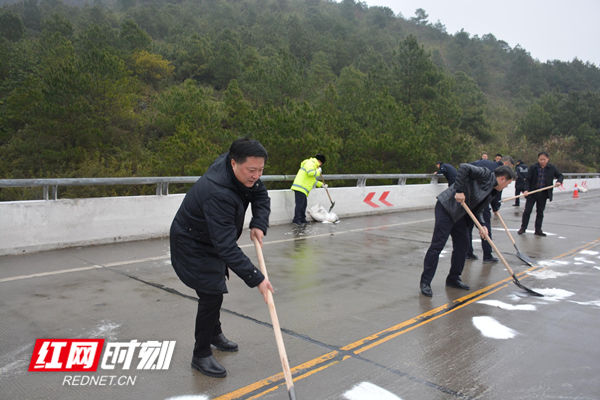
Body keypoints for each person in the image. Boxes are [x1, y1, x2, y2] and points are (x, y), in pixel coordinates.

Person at [169, 138, 274, 378]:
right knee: (211, 293)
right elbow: (226, 247)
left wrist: (258, 222)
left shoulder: (245, 173)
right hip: (191, 241)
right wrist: (257, 278)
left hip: (211, 236)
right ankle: (201, 354)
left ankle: (214, 334)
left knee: (214, 288)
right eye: (252, 170)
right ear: (233, 163)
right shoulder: (218, 192)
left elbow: (260, 196)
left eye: (261, 170)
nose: (256, 176)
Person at [420, 164, 515, 297]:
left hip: (461, 215)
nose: (506, 187)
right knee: (437, 245)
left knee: (462, 246)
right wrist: (459, 190)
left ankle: (453, 278)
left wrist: (482, 225)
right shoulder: (486, 174)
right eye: (507, 184)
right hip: (447, 207)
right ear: (503, 179)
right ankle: (425, 282)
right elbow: (464, 167)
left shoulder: (492, 191)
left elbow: (478, 209)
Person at [465, 157, 507, 262]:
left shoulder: (480, 163)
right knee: (485, 228)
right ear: (506, 164)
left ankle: (468, 253)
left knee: (468, 228)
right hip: (481, 201)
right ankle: (487, 255)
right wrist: (495, 207)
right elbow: (496, 191)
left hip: (470, 199)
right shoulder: (499, 173)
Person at [518, 152, 563, 236]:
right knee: (527, 211)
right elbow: (527, 180)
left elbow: (560, 176)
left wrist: (559, 181)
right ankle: (523, 228)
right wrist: (526, 190)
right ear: (538, 159)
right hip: (532, 193)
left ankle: (538, 230)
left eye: (544, 159)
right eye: (540, 159)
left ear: (547, 159)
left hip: (543, 194)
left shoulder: (551, 168)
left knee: (540, 212)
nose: (542, 161)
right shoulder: (533, 167)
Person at [291, 154, 326, 225]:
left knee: (304, 204)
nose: (320, 166)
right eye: (321, 164)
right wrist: (318, 172)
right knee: (300, 204)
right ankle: (296, 220)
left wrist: (322, 185)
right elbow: (310, 173)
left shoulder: (314, 166)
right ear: (319, 161)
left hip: (303, 188)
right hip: (300, 187)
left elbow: (312, 180)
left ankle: (302, 219)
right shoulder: (310, 163)